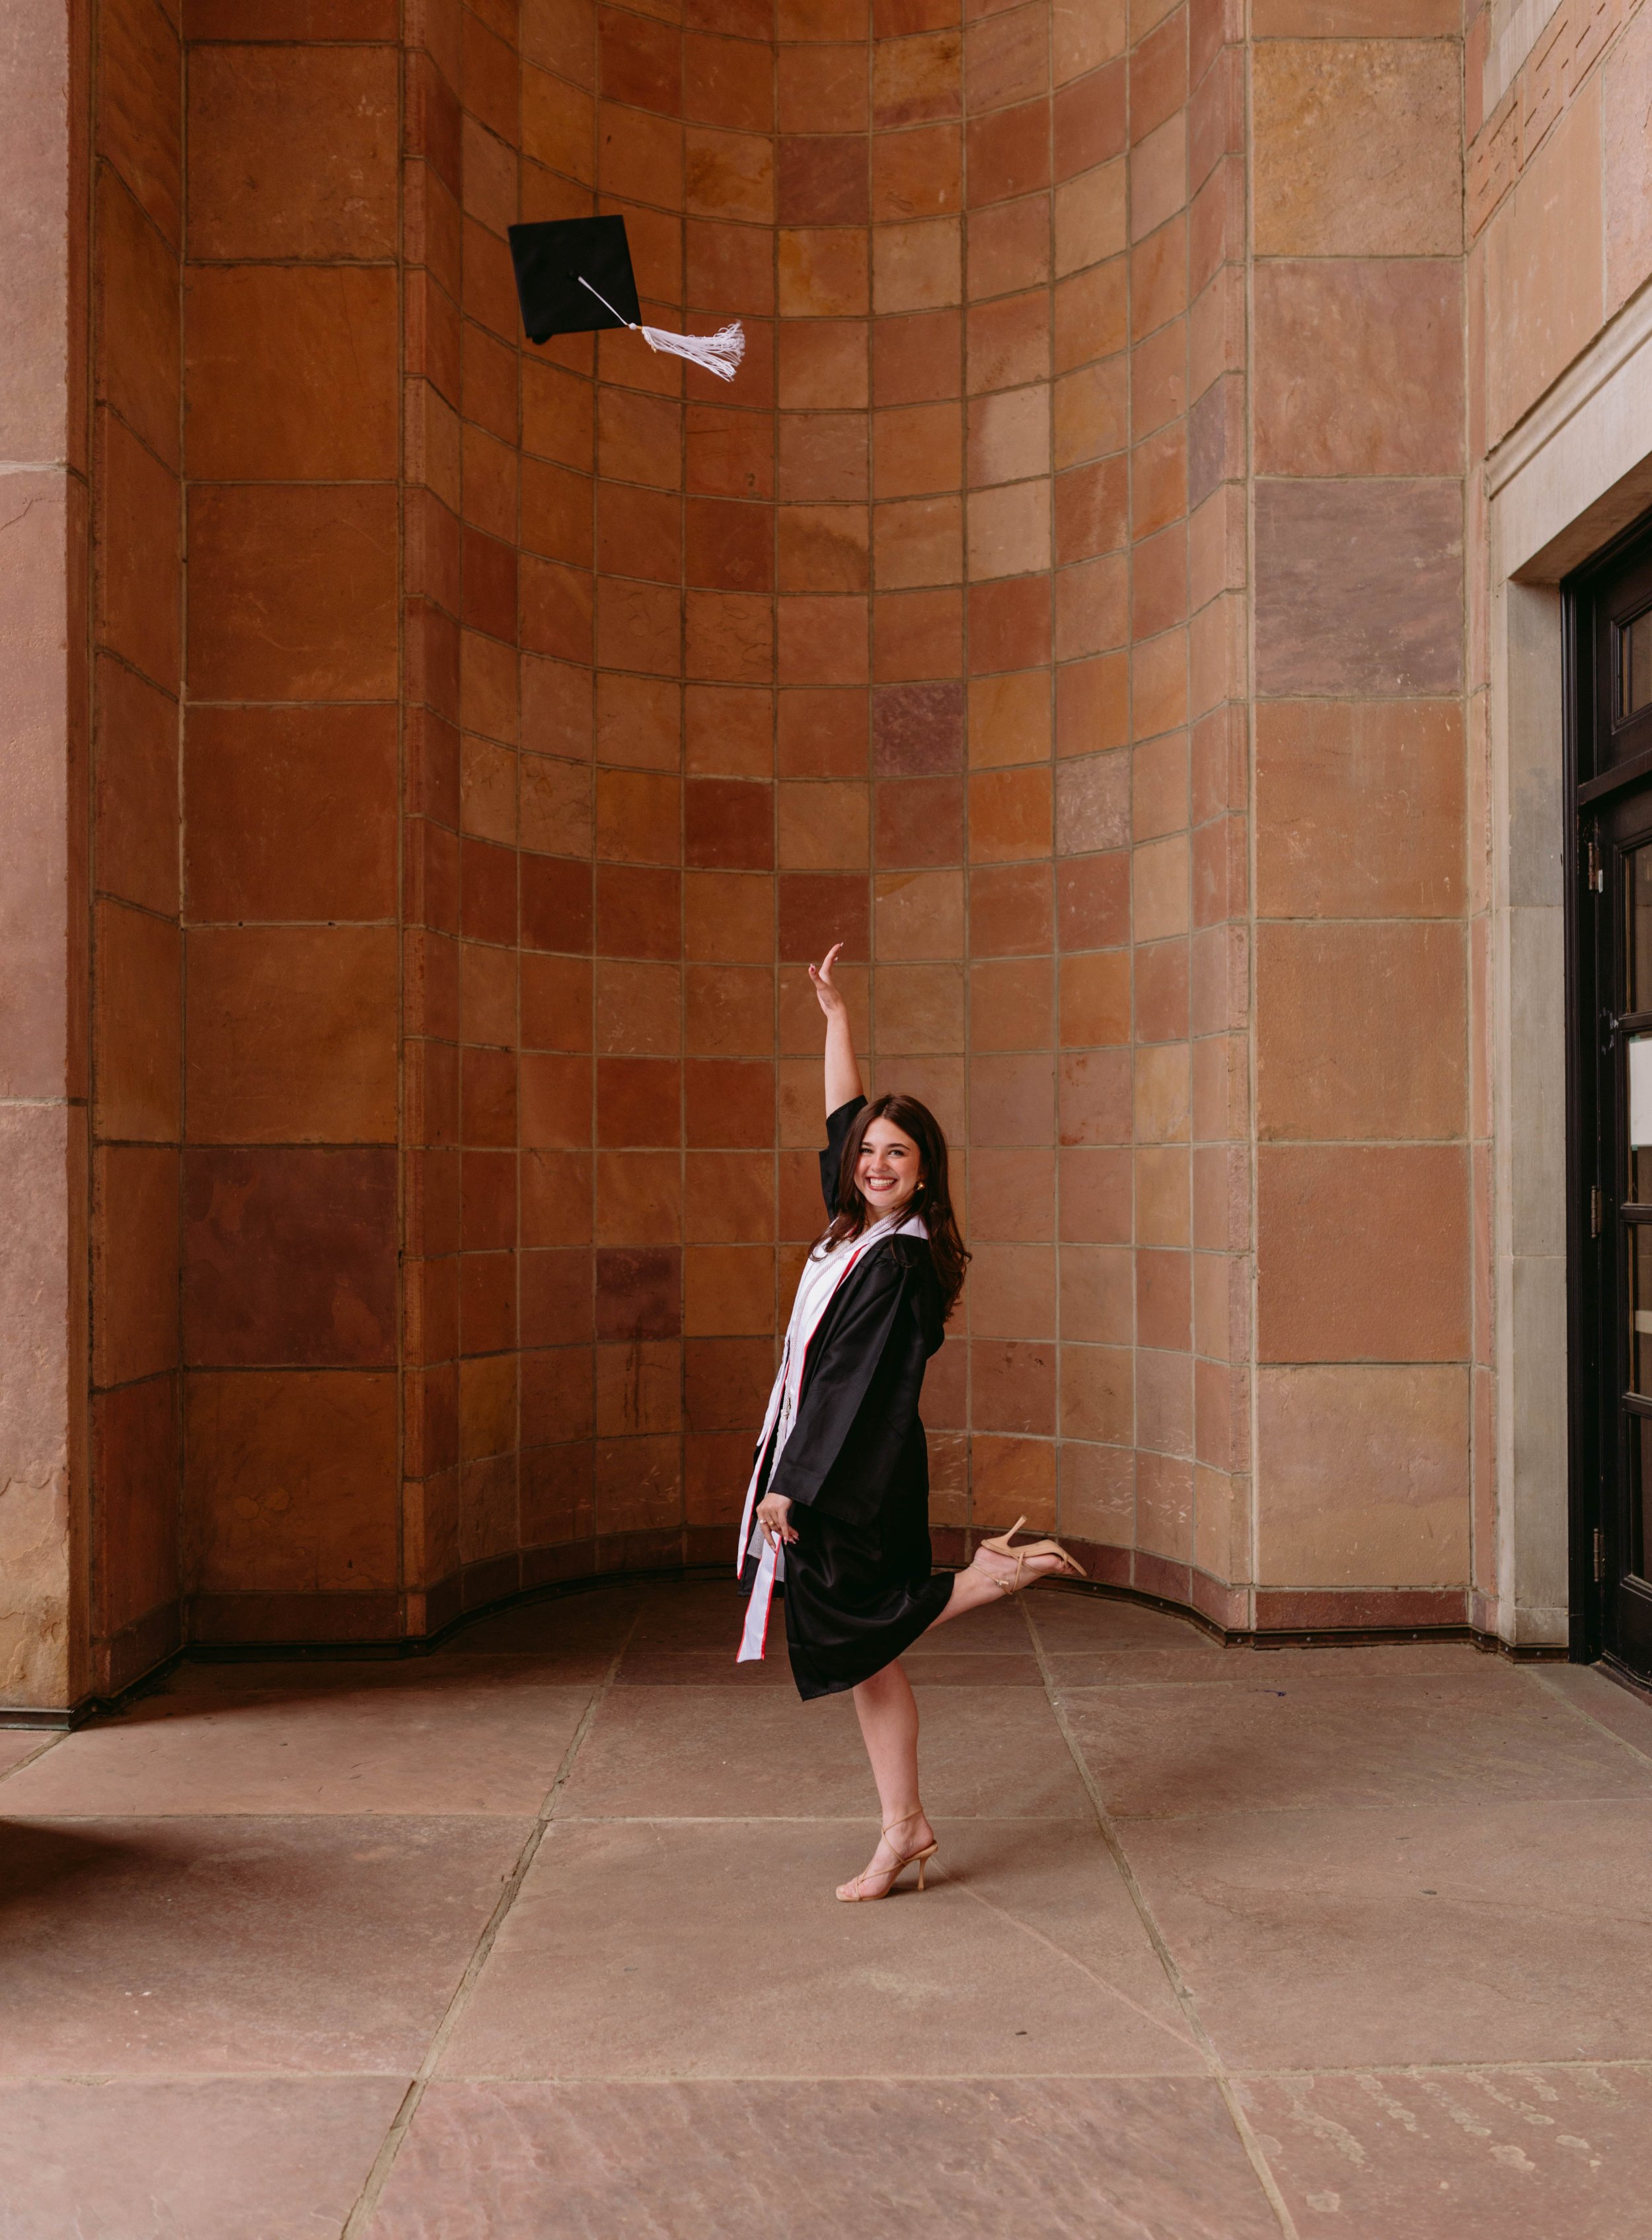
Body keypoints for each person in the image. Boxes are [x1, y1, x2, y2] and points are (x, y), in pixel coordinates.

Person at [735, 943, 1085, 1902]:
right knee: (868, 1657)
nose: (877, 1160)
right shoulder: (861, 1230)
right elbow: (843, 1115)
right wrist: (836, 1018)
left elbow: (848, 1380)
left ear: (925, 1174)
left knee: (852, 1625)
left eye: (899, 1152)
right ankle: (905, 1826)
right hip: (852, 1460)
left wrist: (790, 1481)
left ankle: (986, 1577)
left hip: (855, 1470)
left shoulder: (895, 1261)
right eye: (870, 1152)